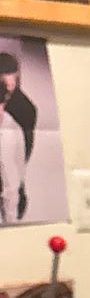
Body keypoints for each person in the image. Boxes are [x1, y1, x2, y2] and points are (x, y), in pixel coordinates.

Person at [0, 50, 36, 224]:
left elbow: (23, 154)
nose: (8, 85)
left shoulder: (24, 109)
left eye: (11, 79)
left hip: (11, 174)